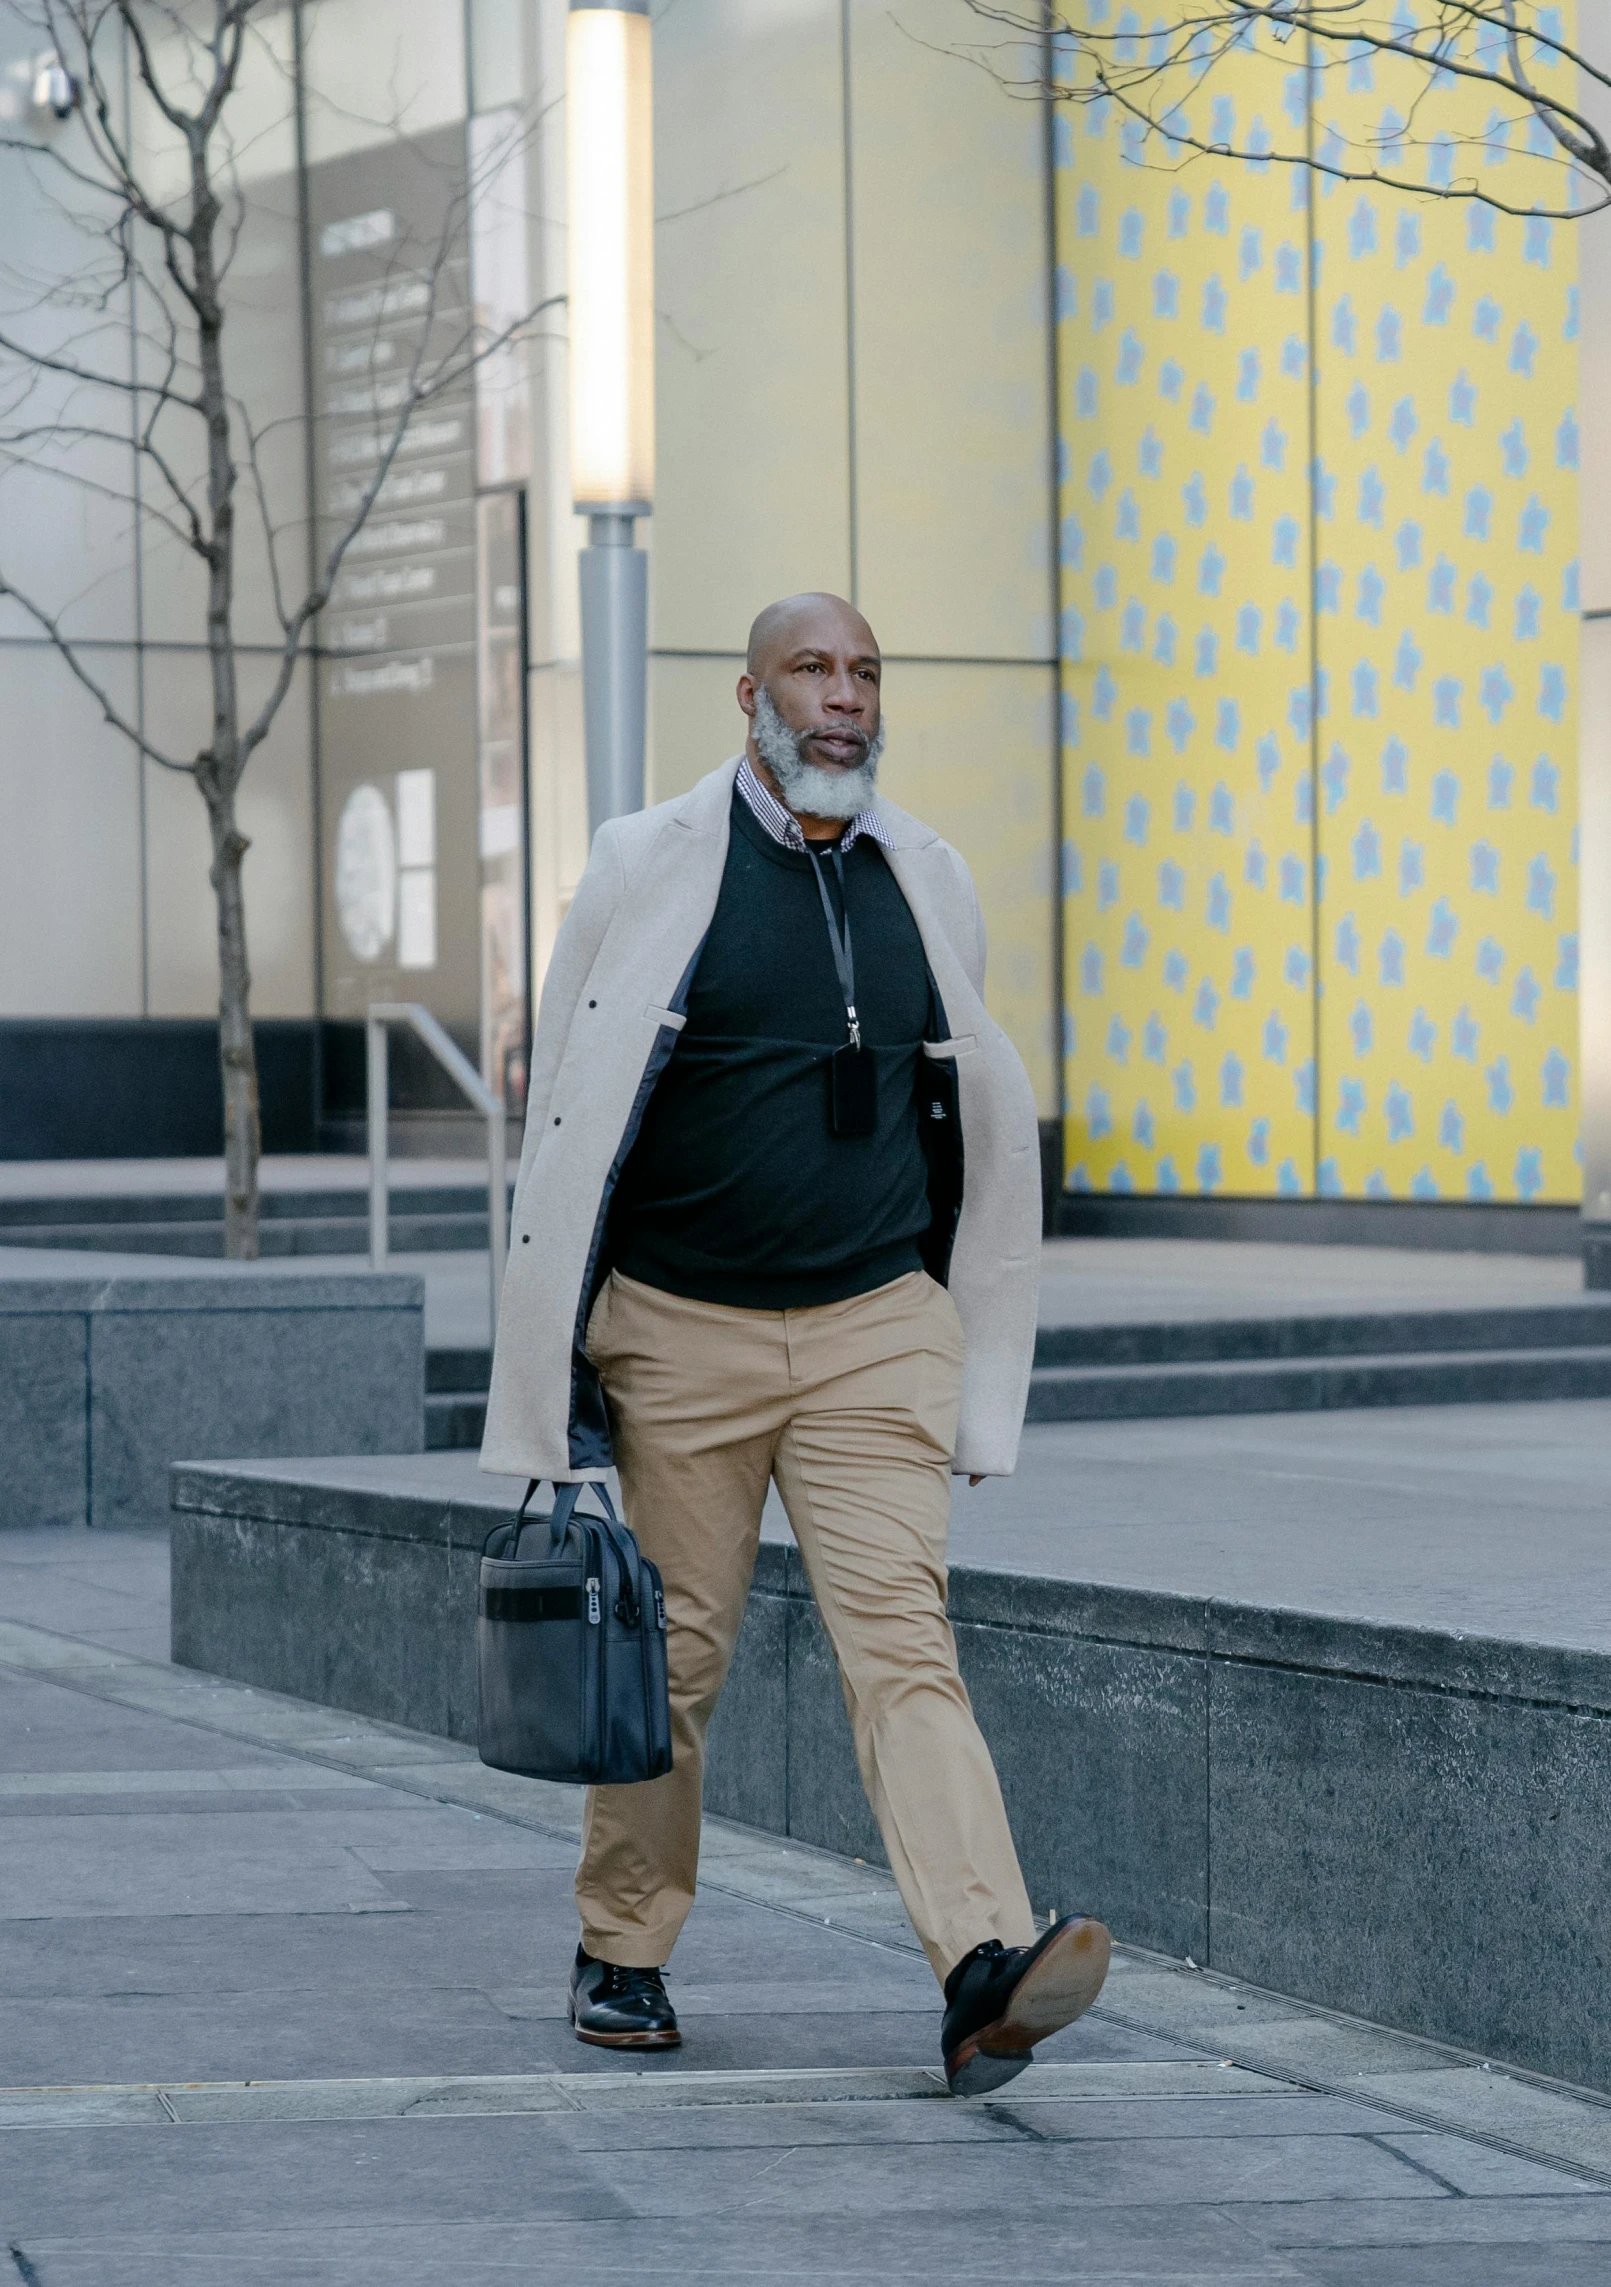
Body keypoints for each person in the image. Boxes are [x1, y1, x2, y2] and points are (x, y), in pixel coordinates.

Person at [481, 590, 1110, 2096]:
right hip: (679, 1328)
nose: (845, 697)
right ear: (749, 695)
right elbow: (566, 1118)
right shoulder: (647, 865)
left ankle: (981, 1964)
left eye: (865, 673)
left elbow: (952, 1098)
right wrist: (560, 1363)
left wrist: (942, 1301)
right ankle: (622, 1946)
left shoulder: (924, 875)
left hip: (871, 1327)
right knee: (675, 1657)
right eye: (814, 670)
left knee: (904, 1644)